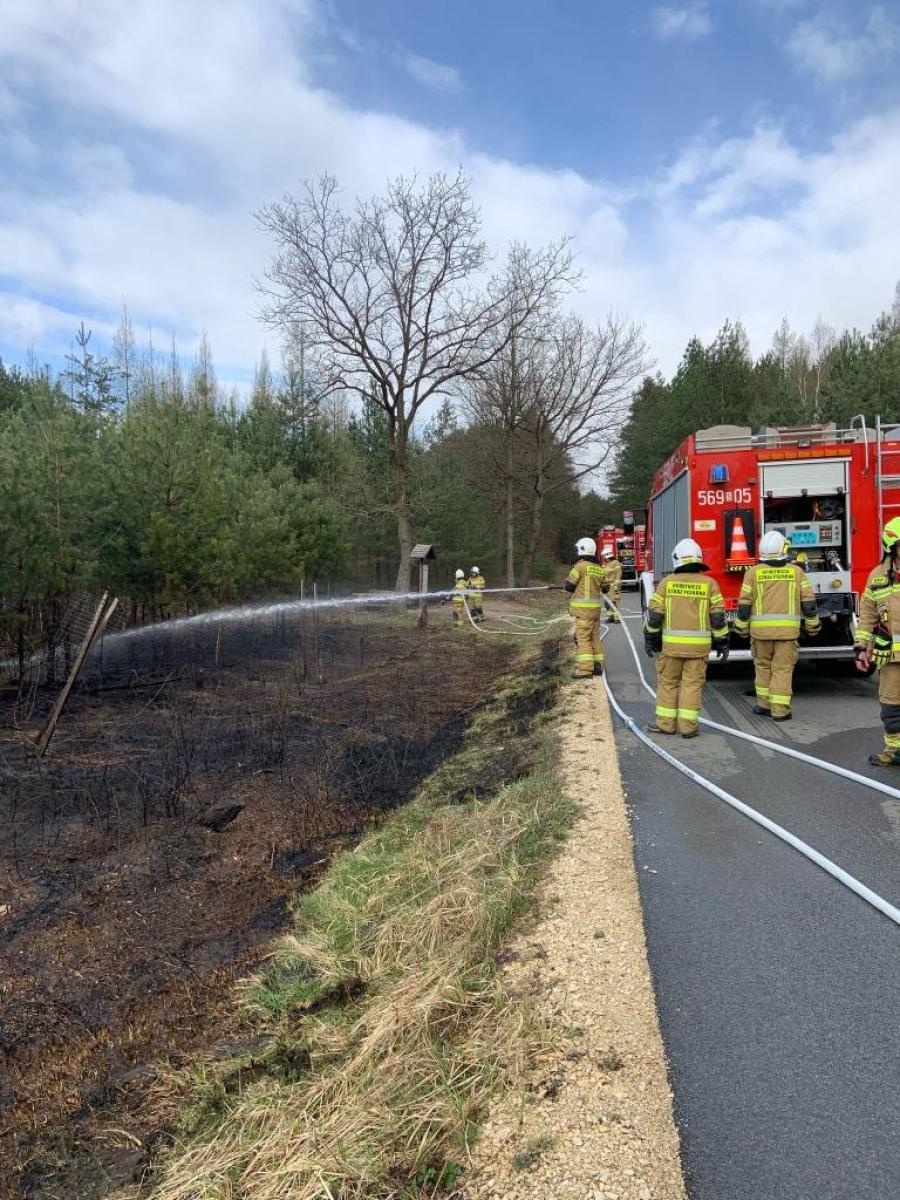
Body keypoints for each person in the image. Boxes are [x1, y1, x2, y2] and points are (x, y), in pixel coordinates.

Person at [644, 537, 729, 738]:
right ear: (699, 558)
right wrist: (722, 642)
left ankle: (665, 724)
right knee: (692, 686)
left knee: (668, 684)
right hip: (698, 650)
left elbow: (655, 617)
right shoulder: (710, 584)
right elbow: (717, 618)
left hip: (671, 648)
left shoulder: (666, 583)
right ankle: (689, 728)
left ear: (677, 559)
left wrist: (651, 639)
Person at [734, 529, 820, 721]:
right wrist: (813, 625)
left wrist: (741, 627)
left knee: (763, 667)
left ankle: (764, 705)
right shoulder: (796, 572)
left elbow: (744, 604)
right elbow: (808, 602)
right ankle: (780, 710)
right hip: (787, 635)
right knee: (782, 670)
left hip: (760, 635)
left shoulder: (752, 573)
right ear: (784, 549)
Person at [855, 517, 900, 766]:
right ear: (891, 547)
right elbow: (868, 614)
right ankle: (894, 751)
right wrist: (861, 648)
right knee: (891, 706)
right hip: (890, 657)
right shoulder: (878, 576)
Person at [564, 536, 606, 679]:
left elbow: (569, 586)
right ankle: (598, 666)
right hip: (595, 612)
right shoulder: (599, 569)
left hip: (583, 612)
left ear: (582, 550)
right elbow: (605, 588)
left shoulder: (580, 567)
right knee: (595, 638)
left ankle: (585, 670)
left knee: (583, 639)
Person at [600, 547, 623, 622]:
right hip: (607, 586)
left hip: (614, 585)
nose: (603, 557)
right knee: (607, 602)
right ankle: (610, 617)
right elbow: (602, 575)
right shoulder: (605, 564)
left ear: (608, 555)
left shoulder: (615, 563)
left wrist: (616, 585)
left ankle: (617, 618)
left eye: (604, 556)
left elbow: (618, 574)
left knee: (614, 601)